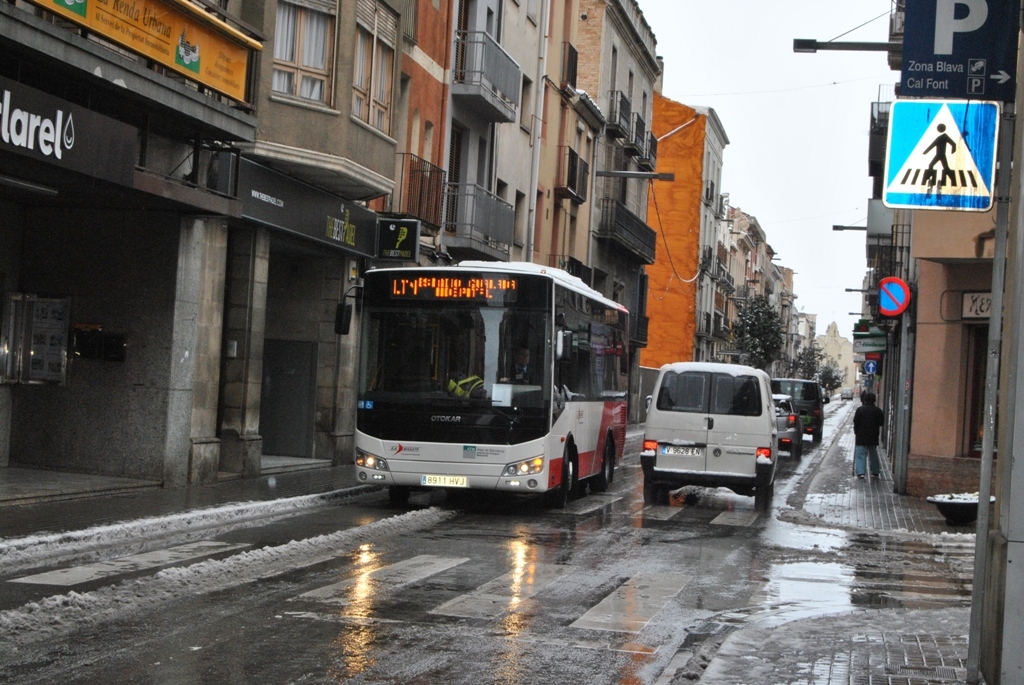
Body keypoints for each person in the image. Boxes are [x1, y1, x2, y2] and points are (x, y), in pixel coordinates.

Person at [853, 392, 885, 479]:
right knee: (873, 454)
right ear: (874, 400)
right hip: (873, 435)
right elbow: (881, 422)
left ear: (865, 400)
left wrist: (856, 431)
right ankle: (875, 472)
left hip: (861, 436)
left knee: (860, 454)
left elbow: (856, 422)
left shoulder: (860, 410)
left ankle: (861, 472)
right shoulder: (877, 411)